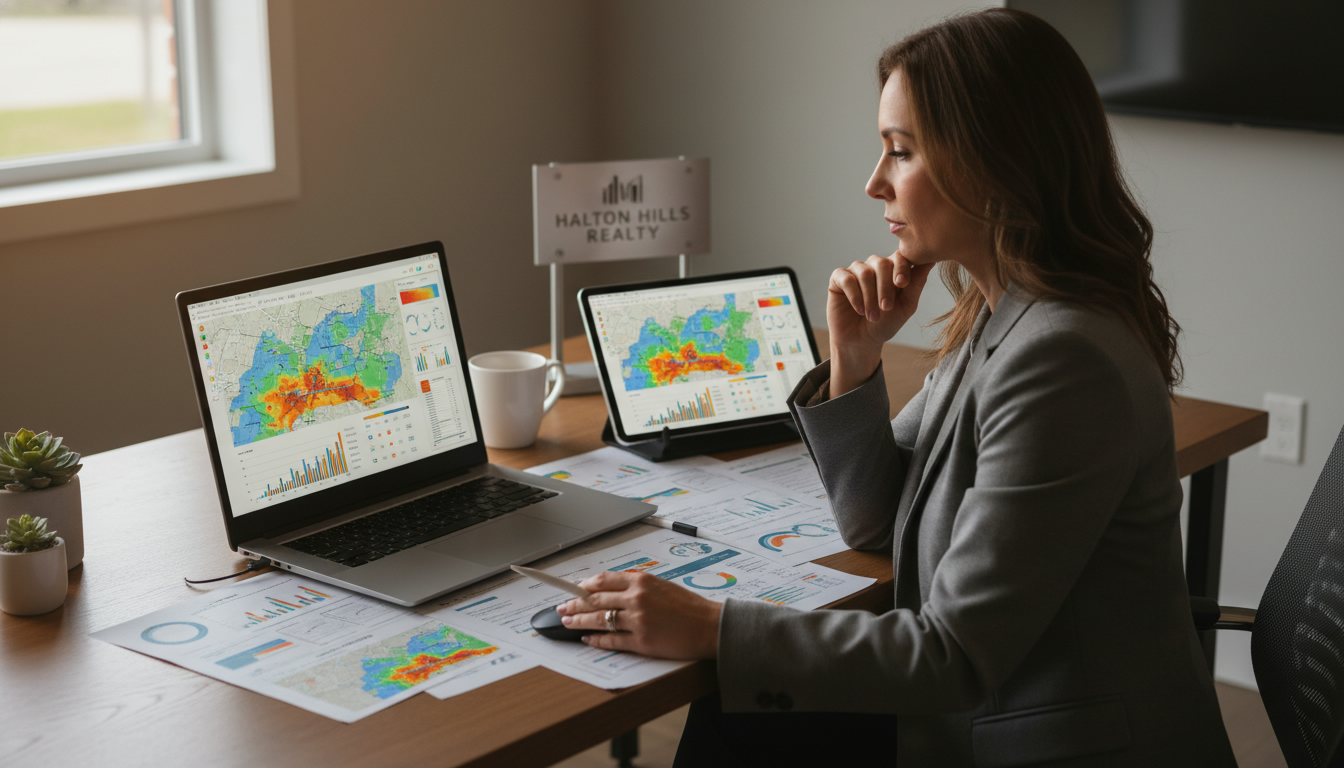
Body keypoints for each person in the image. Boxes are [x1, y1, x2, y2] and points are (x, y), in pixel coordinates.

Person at [555, 8, 1237, 766]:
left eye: (901, 151)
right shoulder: (1001, 312)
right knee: (742, 713)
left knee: (739, 707)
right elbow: (881, 522)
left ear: (992, 161)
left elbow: (953, 656)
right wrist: (856, 358)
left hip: (1046, 739)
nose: (874, 181)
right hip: (993, 704)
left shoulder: (1060, 361)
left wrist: (712, 626)